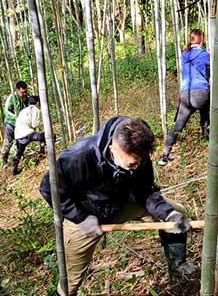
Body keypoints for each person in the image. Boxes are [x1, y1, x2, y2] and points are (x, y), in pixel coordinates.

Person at [40, 116, 196, 295]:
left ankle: (178, 272)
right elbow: (49, 188)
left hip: (119, 205)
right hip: (84, 216)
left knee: (176, 211)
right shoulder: (79, 156)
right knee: (70, 281)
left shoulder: (139, 155)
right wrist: (81, 218)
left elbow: (145, 191)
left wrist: (168, 215)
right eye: (132, 163)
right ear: (112, 148)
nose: (137, 166)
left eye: (139, 162)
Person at [158, 29, 211, 166]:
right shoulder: (204, 54)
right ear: (201, 39)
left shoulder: (184, 54)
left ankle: (164, 156)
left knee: (177, 127)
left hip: (186, 94)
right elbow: (212, 70)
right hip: (201, 93)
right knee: (205, 115)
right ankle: (207, 141)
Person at [10, 96, 45, 175]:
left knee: (19, 152)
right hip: (28, 134)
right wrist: (44, 123)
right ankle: (43, 152)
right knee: (48, 136)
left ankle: (13, 170)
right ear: (38, 103)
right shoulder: (36, 110)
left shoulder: (23, 110)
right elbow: (35, 124)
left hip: (18, 135)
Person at [2, 81, 29, 166]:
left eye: (25, 92)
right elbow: (7, 111)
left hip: (21, 124)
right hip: (10, 124)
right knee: (8, 142)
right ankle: (4, 160)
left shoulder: (27, 97)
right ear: (17, 90)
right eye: (22, 92)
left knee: (20, 141)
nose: (24, 94)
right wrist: (16, 118)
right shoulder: (12, 98)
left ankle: (17, 158)